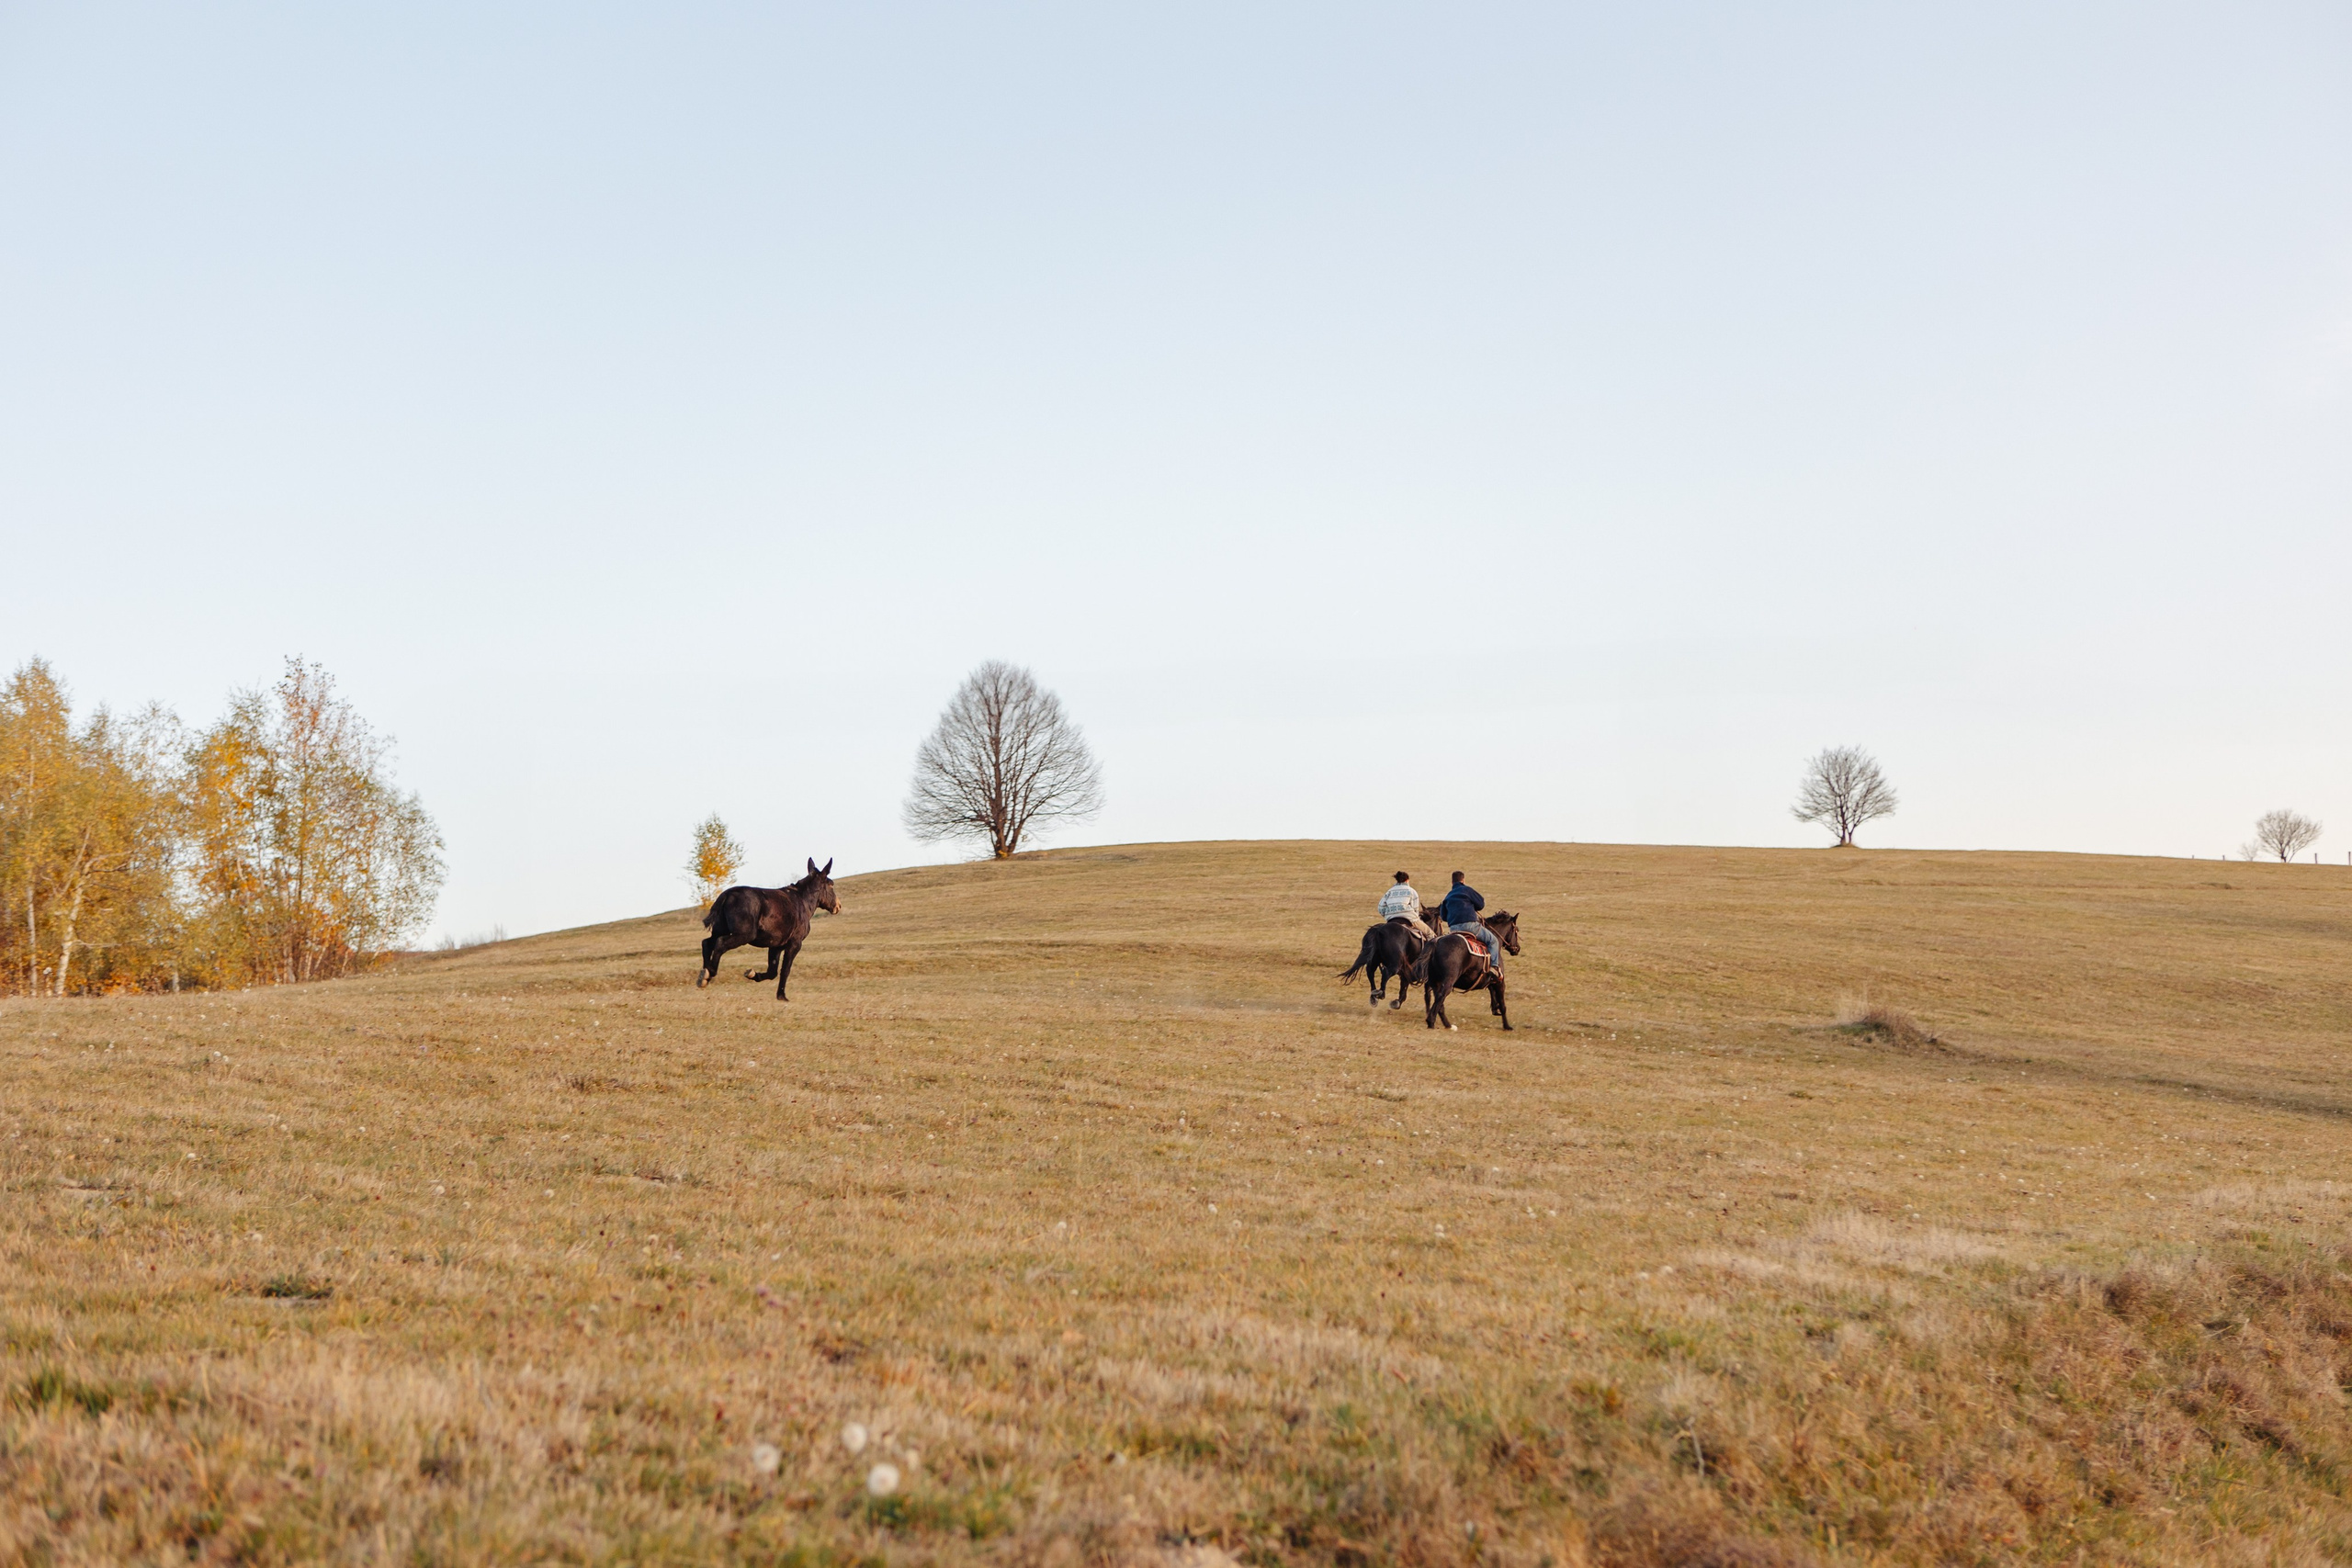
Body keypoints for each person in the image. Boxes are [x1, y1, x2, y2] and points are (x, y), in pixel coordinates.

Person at [1438, 870, 1501, 975]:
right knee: (1493, 941)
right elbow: (1481, 904)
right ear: (1463, 880)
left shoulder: (1448, 896)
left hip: (1454, 929)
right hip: (1470, 926)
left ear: (1452, 882)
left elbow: (1443, 916)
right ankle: (1494, 967)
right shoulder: (1467, 890)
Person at [1376, 871, 1431, 938]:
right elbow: (1415, 909)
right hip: (1409, 918)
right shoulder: (1411, 891)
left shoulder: (1389, 891)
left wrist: (1388, 914)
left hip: (1391, 919)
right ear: (1407, 880)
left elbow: (1381, 907)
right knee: (1429, 933)